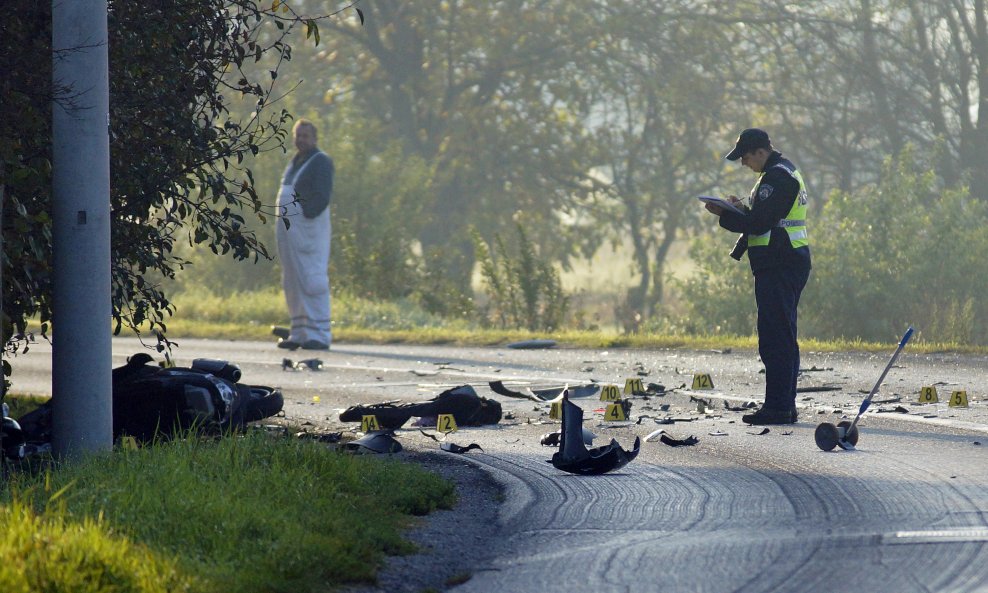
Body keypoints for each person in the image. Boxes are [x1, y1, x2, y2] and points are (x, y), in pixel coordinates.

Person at [704, 128, 811, 425]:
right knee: (784, 335)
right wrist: (740, 208)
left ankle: (777, 408)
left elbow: (761, 224)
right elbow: (766, 216)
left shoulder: (775, 177)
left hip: (779, 262)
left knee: (775, 337)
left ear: (760, 152)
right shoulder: (783, 172)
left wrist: (724, 214)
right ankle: (784, 406)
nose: (743, 163)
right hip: (787, 259)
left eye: (745, 157)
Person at [275, 119, 334, 351]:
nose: (301, 140)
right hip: (291, 232)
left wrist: (306, 216)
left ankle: (319, 334)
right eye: (298, 135)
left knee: (312, 278)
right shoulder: (295, 162)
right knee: (292, 279)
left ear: (314, 138)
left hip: (309, 231)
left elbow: (321, 196)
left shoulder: (320, 161)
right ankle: (299, 332)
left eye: (305, 136)